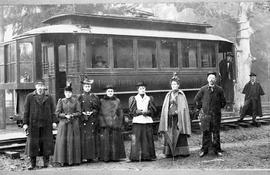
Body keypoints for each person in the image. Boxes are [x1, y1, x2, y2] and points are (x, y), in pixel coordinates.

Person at [23, 79, 57, 170]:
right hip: (33, 124)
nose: (40, 88)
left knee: (46, 144)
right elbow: (26, 111)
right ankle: (32, 164)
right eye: (38, 86)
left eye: (42, 86)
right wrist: (25, 123)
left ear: (44, 87)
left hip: (46, 124)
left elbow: (53, 111)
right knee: (32, 145)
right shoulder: (30, 97)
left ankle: (46, 163)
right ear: (35, 87)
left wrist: (54, 121)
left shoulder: (49, 97)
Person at [158, 73, 191, 158]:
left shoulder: (181, 95)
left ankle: (181, 152)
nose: (174, 86)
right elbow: (165, 107)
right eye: (172, 84)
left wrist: (178, 112)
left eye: (175, 84)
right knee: (169, 134)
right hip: (170, 117)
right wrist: (168, 112)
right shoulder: (168, 95)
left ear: (178, 85)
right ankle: (169, 152)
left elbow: (183, 108)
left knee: (179, 134)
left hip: (178, 118)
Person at [194, 72, 226, 157]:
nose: (211, 79)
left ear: (215, 79)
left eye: (213, 78)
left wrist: (217, 108)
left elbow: (223, 102)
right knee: (206, 133)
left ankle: (217, 150)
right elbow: (196, 99)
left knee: (216, 133)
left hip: (216, 116)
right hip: (206, 116)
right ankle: (204, 150)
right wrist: (202, 108)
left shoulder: (219, 89)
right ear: (207, 79)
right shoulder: (203, 89)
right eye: (210, 78)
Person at [53, 84, 82, 166]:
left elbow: (79, 112)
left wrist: (72, 115)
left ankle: (74, 161)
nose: (68, 94)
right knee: (63, 142)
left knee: (73, 142)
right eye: (66, 92)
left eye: (69, 92)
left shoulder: (76, 101)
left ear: (71, 93)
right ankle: (63, 160)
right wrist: (65, 115)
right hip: (64, 125)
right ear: (64, 93)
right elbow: (57, 113)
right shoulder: (61, 101)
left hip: (73, 124)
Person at [128, 82, 157, 162]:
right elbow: (131, 111)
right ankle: (135, 157)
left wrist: (147, 112)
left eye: (143, 88)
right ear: (138, 90)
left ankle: (147, 156)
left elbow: (154, 110)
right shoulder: (134, 98)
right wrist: (139, 112)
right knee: (136, 139)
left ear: (145, 89)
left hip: (147, 121)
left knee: (147, 139)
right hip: (137, 121)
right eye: (140, 89)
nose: (142, 90)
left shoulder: (149, 98)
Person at [98, 85, 126, 162]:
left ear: (113, 92)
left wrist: (118, 123)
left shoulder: (117, 101)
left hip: (115, 124)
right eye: (108, 91)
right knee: (106, 142)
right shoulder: (102, 101)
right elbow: (100, 113)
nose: (110, 92)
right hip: (105, 125)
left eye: (111, 91)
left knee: (115, 141)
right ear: (106, 92)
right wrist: (103, 123)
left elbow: (120, 113)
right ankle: (106, 157)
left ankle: (115, 157)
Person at [77, 78, 100, 162]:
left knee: (91, 137)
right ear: (83, 87)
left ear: (90, 87)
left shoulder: (94, 97)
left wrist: (92, 112)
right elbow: (77, 109)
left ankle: (91, 157)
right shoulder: (79, 97)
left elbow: (97, 108)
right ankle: (83, 156)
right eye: (86, 86)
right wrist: (82, 113)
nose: (87, 87)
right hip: (83, 120)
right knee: (83, 137)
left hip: (92, 119)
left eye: (88, 86)